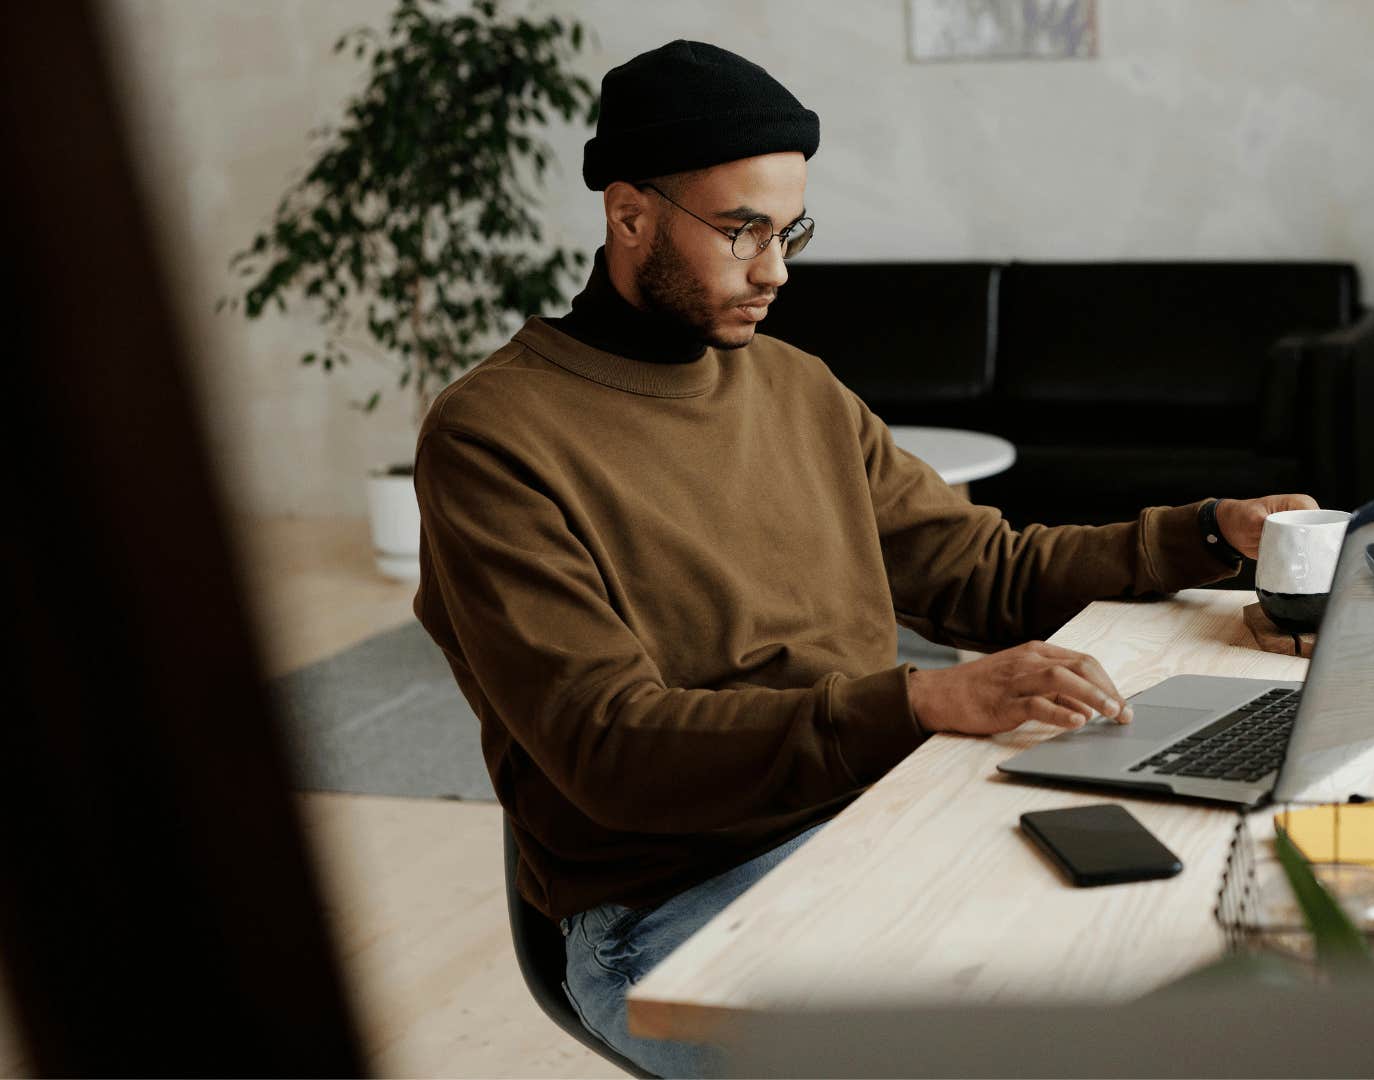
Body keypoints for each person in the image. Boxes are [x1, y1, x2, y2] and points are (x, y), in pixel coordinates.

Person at [412, 39, 1319, 1077]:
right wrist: (921, 704)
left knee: (1199, 967)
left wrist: (1203, 534)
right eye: (741, 230)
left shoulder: (796, 388)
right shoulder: (494, 435)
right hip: (668, 914)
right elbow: (611, 749)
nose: (776, 269)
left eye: (789, 229)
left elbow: (985, 573)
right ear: (629, 215)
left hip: (880, 822)